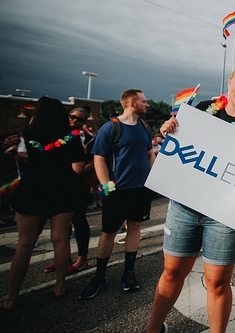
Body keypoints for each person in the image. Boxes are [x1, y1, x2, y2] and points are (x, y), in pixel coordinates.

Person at [148, 63, 235, 333]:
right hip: (185, 207)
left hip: (224, 215)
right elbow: (178, 142)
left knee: (218, 281)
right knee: (172, 271)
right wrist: (169, 129)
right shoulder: (203, 110)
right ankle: (153, 329)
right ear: (230, 83)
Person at [2, 97, 85, 309]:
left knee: (25, 243)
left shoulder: (31, 134)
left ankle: (12, 296)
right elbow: (78, 166)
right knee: (60, 239)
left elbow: (29, 137)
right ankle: (59, 286)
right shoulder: (71, 137)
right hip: (62, 190)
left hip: (33, 189)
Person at [80, 89, 156, 299]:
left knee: (135, 227)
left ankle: (128, 272)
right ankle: (99, 276)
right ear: (132, 103)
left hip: (139, 190)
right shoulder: (110, 127)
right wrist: (107, 186)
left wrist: (153, 177)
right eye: (144, 101)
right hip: (117, 191)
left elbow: (150, 153)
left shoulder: (144, 127)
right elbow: (99, 158)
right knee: (109, 233)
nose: (147, 104)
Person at [42, 107, 95, 275]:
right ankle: (63, 257)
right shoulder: (59, 137)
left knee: (78, 220)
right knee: (60, 223)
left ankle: (82, 259)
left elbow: (96, 161)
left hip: (78, 185)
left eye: (79, 119)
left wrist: (77, 170)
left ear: (84, 122)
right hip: (60, 185)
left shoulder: (89, 139)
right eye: (71, 117)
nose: (74, 120)